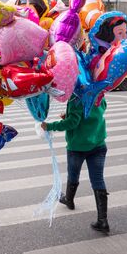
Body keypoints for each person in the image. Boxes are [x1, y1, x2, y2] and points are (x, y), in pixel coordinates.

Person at [41, 94, 109, 233]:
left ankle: (69, 200)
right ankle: (103, 220)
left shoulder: (76, 97)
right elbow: (98, 111)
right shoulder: (98, 94)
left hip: (78, 146)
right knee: (98, 180)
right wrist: (70, 115)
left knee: (73, 175)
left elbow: (73, 122)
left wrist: (49, 126)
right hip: (98, 143)